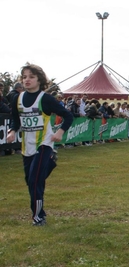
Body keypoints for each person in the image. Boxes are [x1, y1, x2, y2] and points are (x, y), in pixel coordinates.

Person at [6, 63, 73, 226]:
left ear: (39, 80)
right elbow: (15, 119)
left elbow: (68, 116)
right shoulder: (17, 99)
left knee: (35, 180)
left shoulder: (46, 99)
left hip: (43, 144)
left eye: (31, 77)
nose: (27, 80)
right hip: (26, 146)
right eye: (24, 77)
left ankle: (38, 217)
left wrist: (60, 132)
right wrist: (12, 131)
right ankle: (50, 163)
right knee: (31, 180)